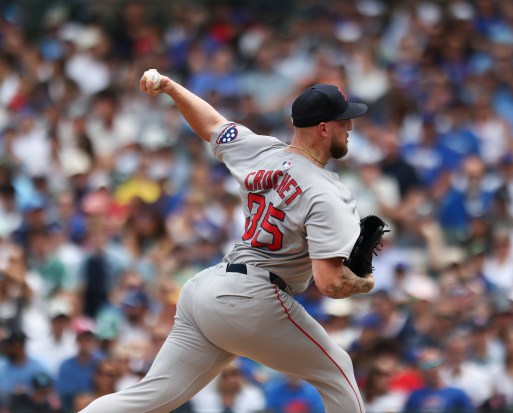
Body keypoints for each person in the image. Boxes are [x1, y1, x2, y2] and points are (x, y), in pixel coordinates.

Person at [79, 72, 375, 413]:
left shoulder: (260, 151)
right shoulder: (327, 192)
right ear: (324, 128)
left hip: (207, 289)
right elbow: (330, 283)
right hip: (253, 300)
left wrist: (171, 88)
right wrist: (363, 282)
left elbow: (212, 125)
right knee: (338, 371)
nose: (350, 127)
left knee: (149, 398)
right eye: (344, 121)